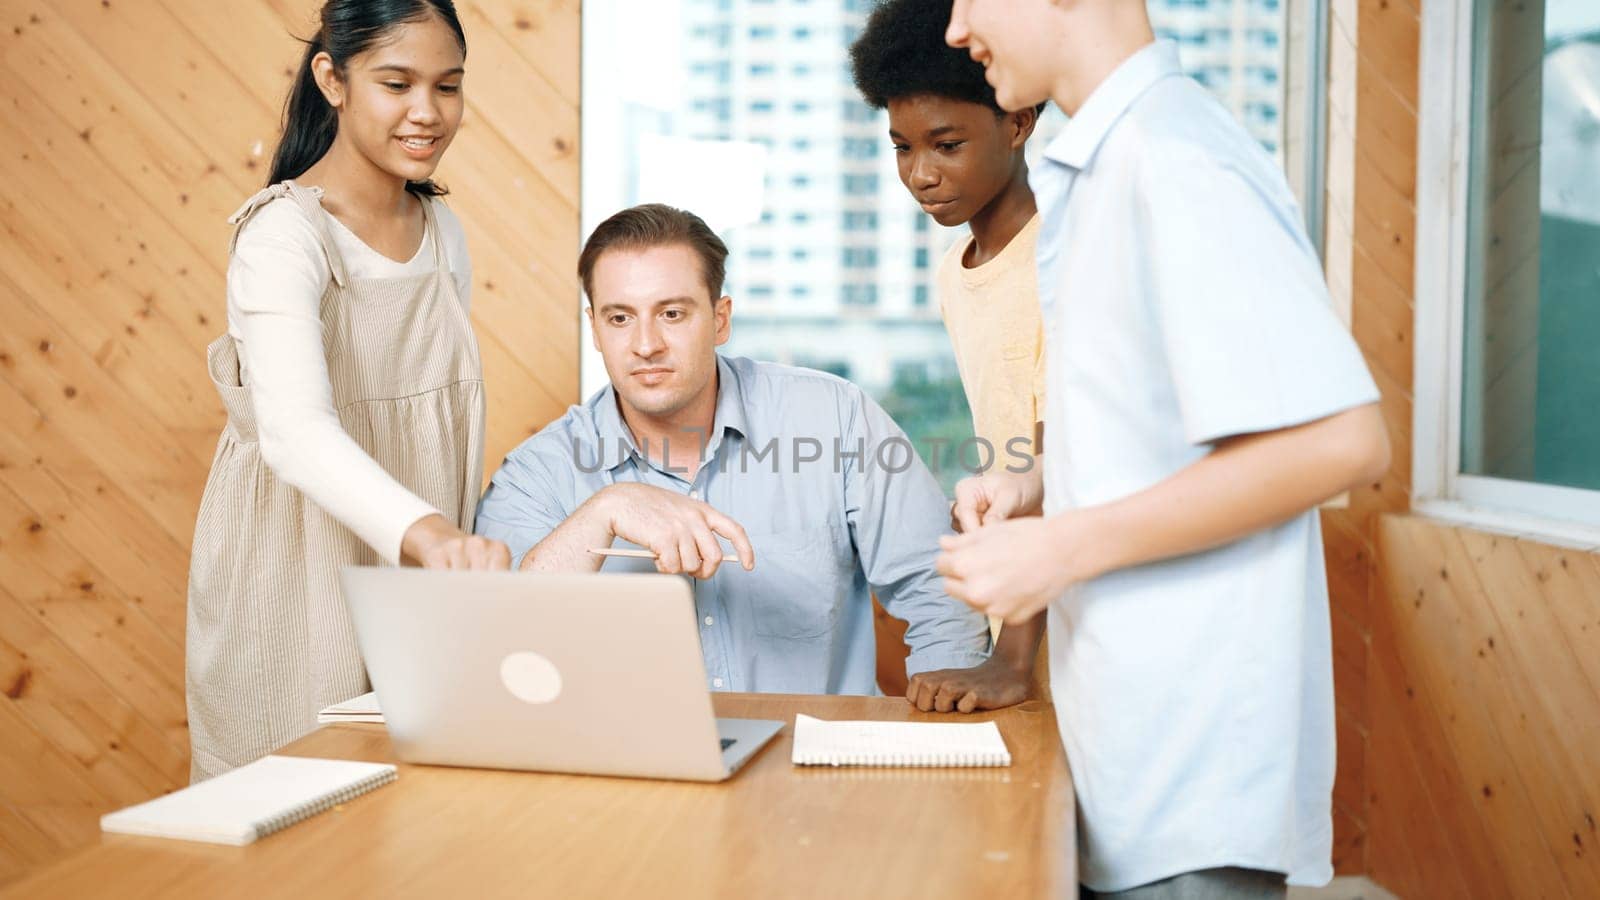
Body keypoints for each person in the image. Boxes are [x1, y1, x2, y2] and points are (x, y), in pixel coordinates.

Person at [936, 1, 1392, 897]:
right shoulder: (1105, 163)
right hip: (1128, 750)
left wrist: (1057, 548)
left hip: (1193, 778)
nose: (954, 28)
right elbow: (1155, 427)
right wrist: (1038, 486)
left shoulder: (1176, 156)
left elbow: (1343, 440)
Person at [475, 203, 1008, 701]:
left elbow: (937, 587)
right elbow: (500, 645)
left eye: (673, 314)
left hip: (815, 771)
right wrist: (606, 508)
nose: (645, 345)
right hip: (629, 783)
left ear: (720, 318)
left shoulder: (835, 418)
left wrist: (942, 731)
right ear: (594, 328)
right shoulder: (535, 473)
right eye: (619, 318)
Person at [187, 0, 509, 782]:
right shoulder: (282, 236)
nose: (427, 113)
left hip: (413, 586)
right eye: (397, 83)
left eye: (449, 86)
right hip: (295, 582)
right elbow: (295, 433)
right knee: (284, 818)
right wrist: (431, 536)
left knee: (412, 818)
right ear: (332, 78)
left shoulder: (444, 236)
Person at [850, 0, 1048, 713]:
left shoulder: (1059, 262)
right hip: (1019, 602)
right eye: (903, 147)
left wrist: (1012, 659)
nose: (920, 174)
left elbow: (1058, 464)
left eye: (947, 144)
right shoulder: (953, 270)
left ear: (1017, 122)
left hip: (1062, 609)